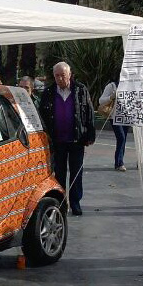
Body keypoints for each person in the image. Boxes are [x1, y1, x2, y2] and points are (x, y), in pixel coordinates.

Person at [39, 62, 95, 216]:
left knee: (76, 173)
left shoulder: (80, 90)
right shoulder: (48, 92)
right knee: (59, 173)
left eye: (62, 75)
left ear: (69, 75)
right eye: (56, 75)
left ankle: (75, 202)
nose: (59, 78)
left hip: (77, 139)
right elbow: (42, 115)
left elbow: (89, 112)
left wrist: (90, 135)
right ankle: (61, 202)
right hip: (57, 141)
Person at [99, 75, 128, 172]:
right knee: (121, 138)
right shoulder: (111, 86)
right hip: (115, 117)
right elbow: (101, 100)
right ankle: (119, 163)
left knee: (123, 139)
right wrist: (111, 97)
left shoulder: (130, 87)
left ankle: (120, 162)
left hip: (126, 116)